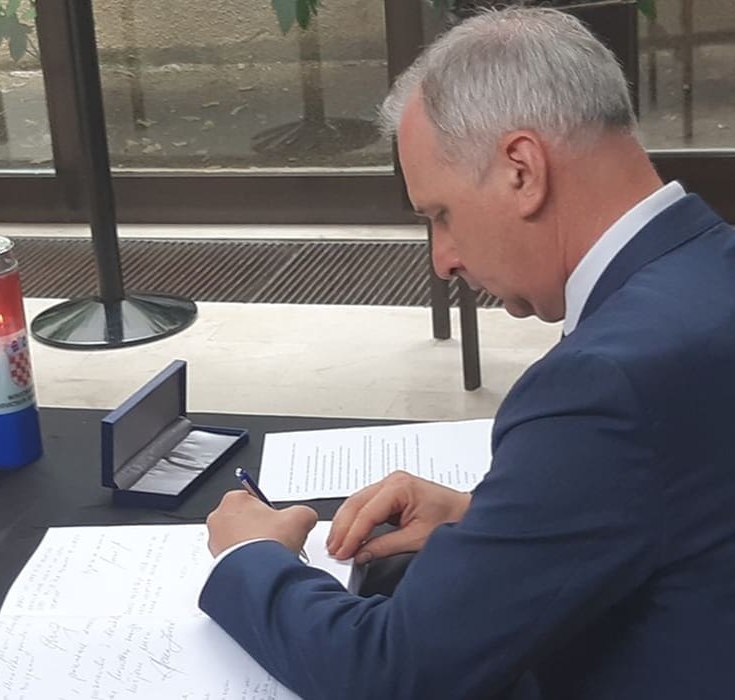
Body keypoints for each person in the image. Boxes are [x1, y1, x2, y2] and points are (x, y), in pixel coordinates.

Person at [200, 7, 735, 699]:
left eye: (441, 215)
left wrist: (251, 554)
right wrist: (489, 520)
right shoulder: (709, 272)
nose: (443, 259)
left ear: (521, 169)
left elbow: (394, 673)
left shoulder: (602, 383)